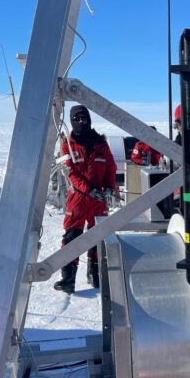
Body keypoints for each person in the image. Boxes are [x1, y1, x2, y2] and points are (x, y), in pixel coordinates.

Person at [54, 104, 117, 295]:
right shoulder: (68, 145)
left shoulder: (101, 144)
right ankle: (68, 279)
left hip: (99, 200)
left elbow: (110, 168)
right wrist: (88, 190)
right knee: (72, 237)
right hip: (78, 199)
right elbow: (70, 172)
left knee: (98, 236)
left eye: (84, 119)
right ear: (72, 121)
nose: (81, 122)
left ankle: (95, 275)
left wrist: (109, 187)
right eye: (77, 119)